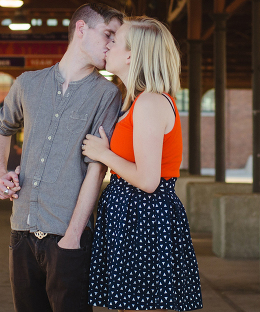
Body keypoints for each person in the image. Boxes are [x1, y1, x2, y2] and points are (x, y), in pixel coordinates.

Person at [0, 2, 124, 312]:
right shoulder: (27, 83)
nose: (112, 45)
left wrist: (73, 237)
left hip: (68, 235)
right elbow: (1, 129)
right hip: (21, 231)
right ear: (81, 29)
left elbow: (97, 168)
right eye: (108, 34)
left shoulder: (107, 94)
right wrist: (0, 174)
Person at [82, 16, 203, 312]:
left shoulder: (150, 102)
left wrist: (103, 154)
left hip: (144, 216)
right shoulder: (137, 101)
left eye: (115, 40)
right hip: (134, 214)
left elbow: (149, 181)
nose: (107, 45)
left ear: (131, 55)